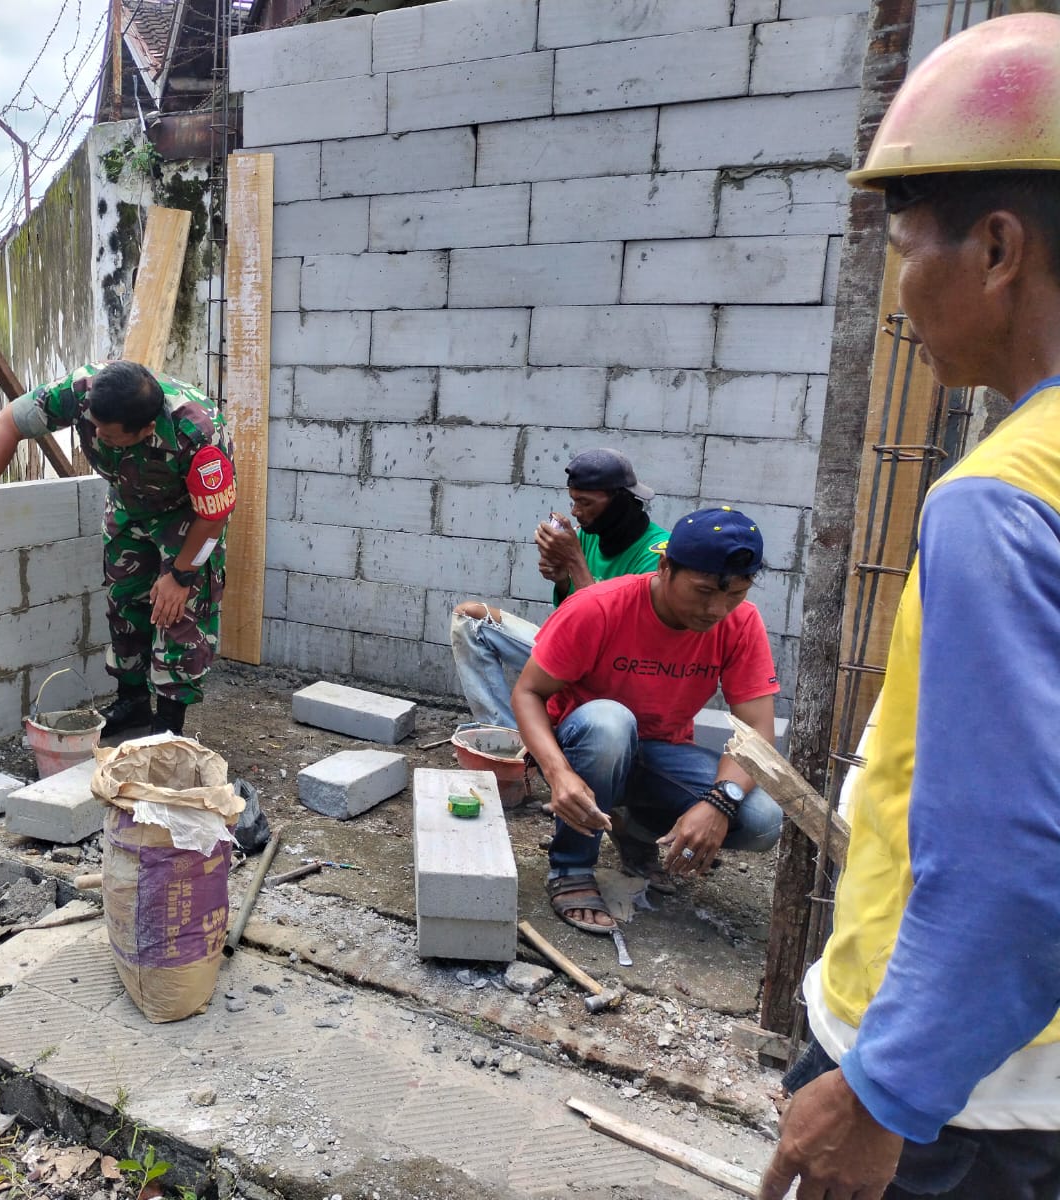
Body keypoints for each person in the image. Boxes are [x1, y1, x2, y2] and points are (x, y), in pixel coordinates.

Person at [760, 14, 1060, 1199]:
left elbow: (1014, 861)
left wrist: (884, 1089)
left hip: (959, 1105)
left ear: (995, 248)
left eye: (901, 246)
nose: (897, 292)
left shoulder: (1000, 497)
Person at [510, 508, 783, 933]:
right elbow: (528, 692)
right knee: (610, 722)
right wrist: (558, 774)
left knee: (763, 819)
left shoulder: (740, 623)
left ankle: (633, 827)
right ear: (664, 567)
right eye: (704, 591)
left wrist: (720, 802)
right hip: (585, 745)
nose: (717, 609)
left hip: (659, 754)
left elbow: (757, 732)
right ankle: (570, 866)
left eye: (735, 594)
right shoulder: (599, 607)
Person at [0, 360, 236, 739]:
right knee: (124, 602)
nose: (96, 436)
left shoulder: (199, 434)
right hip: (129, 506)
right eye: (93, 426)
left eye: (108, 436)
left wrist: (180, 575)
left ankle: (168, 729)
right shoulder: (82, 391)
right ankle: (132, 705)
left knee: (177, 614)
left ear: (145, 430)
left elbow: (213, 517)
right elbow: (9, 421)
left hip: (188, 517)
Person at [451, 448, 669, 728]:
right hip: (574, 655)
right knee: (470, 619)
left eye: (585, 503)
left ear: (620, 501)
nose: (576, 512)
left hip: (617, 672)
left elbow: (616, 642)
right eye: (573, 501)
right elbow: (573, 624)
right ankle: (507, 736)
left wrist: (575, 562)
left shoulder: (658, 554)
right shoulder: (590, 535)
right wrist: (562, 580)